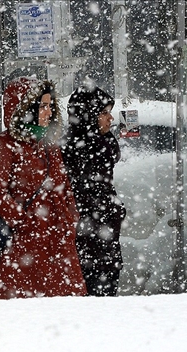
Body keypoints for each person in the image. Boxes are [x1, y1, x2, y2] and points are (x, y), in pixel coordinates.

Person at [0, 76, 87, 299]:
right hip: (25, 243)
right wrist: (23, 222)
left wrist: (71, 219)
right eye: (42, 106)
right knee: (26, 310)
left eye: (50, 105)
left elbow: (64, 186)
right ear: (24, 109)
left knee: (66, 308)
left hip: (59, 241)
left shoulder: (48, 143)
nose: (48, 112)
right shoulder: (4, 145)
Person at [61, 85, 127, 296]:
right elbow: (88, 198)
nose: (111, 119)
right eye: (104, 113)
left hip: (102, 244)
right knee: (95, 297)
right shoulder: (80, 151)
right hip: (90, 246)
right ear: (89, 116)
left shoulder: (100, 144)